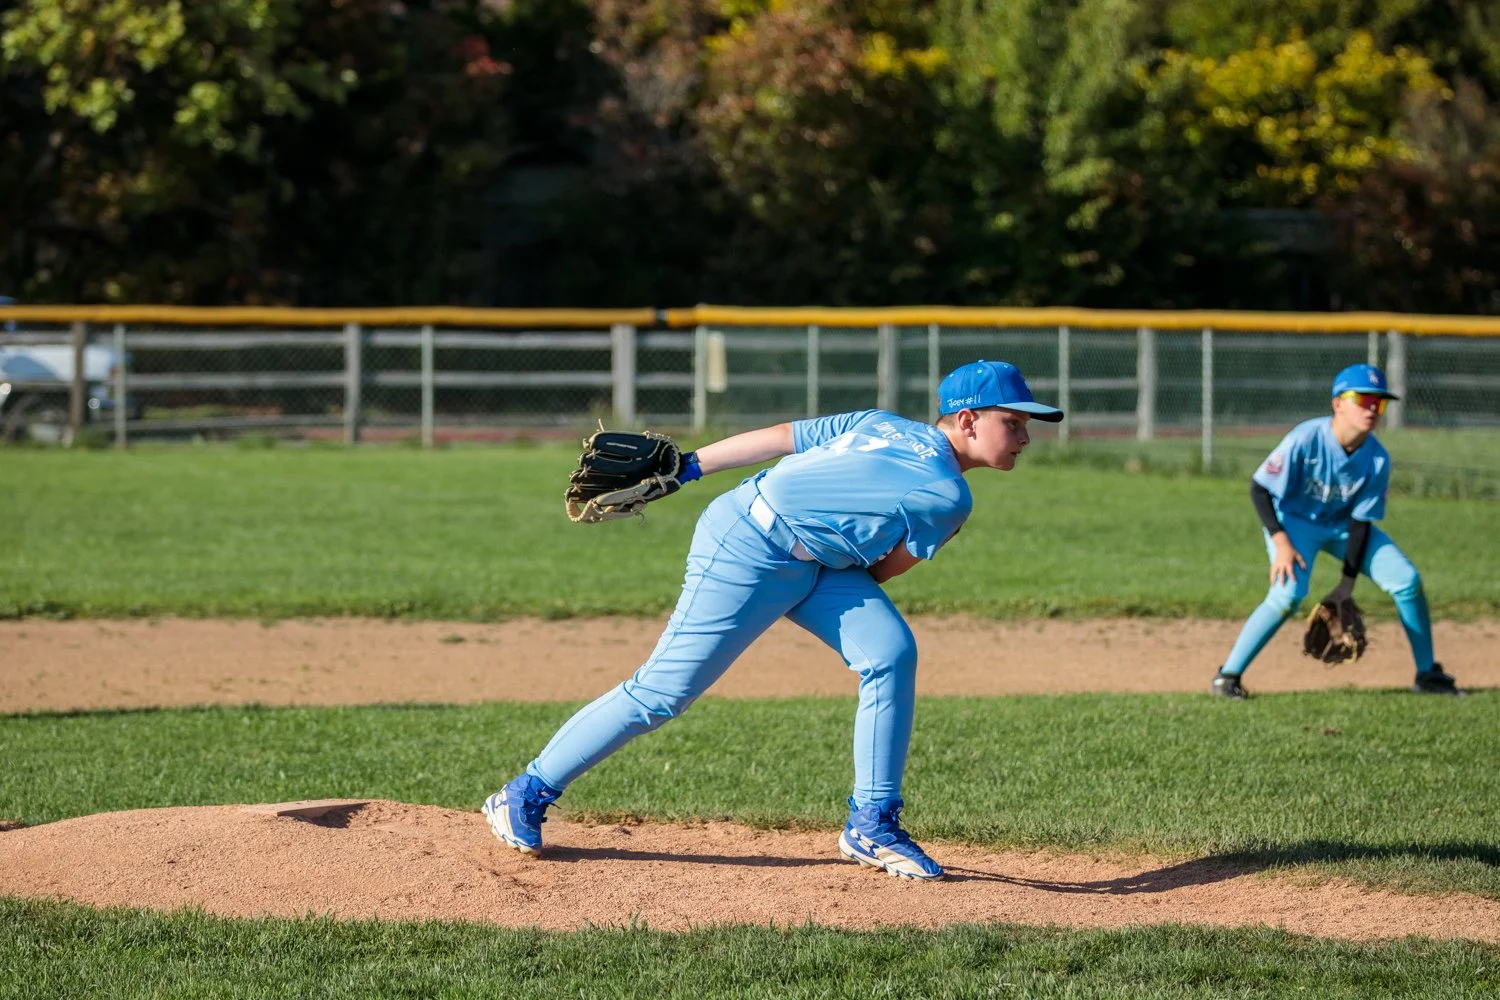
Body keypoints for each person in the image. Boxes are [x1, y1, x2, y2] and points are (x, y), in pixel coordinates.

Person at [484, 360, 1064, 880]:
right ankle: (524, 793)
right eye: (1013, 422)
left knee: (889, 654)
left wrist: (689, 467)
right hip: (748, 543)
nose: (1025, 437)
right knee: (663, 692)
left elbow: (779, 438)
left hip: (816, 562)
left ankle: (872, 824)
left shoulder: (880, 422)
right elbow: (884, 570)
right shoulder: (947, 497)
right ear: (966, 420)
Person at [1211, 363, 1460, 699]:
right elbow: (1259, 489)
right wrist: (1281, 542)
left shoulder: (1377, 460)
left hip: (1343, 527)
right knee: (1288, 595)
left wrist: (1346, 585)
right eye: (1362, 399)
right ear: (1337, 403)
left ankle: (1427, 673)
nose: (1372, 409)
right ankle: (1228, 676)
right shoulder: (1305, 438)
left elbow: (1361, 522)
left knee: (1407, 580)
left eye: (1379, 402)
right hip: (1294, 523)